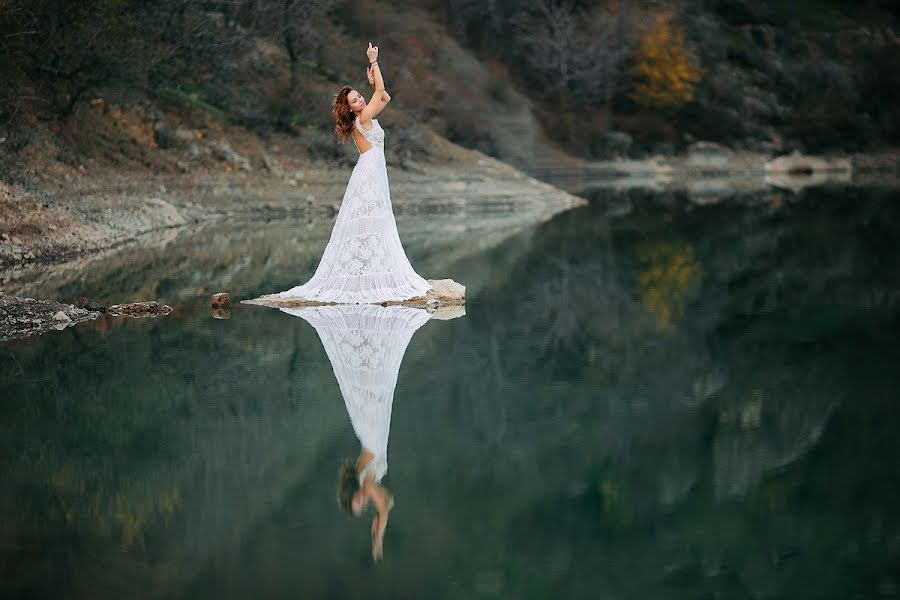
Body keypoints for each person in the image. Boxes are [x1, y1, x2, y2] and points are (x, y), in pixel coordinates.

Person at [275, 42, 432, 304]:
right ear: (349, 108)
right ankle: (361, 273)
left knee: (375, 220)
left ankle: (366, 270)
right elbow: (381, 91)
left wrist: (373, 86)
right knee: (369, 221)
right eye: (355, 99)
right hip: (369, 173)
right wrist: (374, 62)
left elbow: (385, 97)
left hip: (372, 171)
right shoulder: (363, 119)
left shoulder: (366, 115)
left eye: (360, 96)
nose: (360, 99)